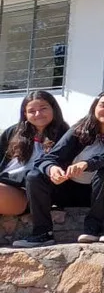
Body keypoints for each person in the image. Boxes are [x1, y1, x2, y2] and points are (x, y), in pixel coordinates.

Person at [13, 91, 104, 248]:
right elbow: (48, 158)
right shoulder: (79, 129)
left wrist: (88, 164)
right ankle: (42, 233)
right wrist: (52, 169)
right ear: (94, 107)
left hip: (101, 192)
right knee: (34, 176)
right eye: (103, 105)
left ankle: (93, 228)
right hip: (68, 189)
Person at [0, 91, 69, 219]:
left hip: (30, 193)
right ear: (25, 114)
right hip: (5, 185)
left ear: (53, 109)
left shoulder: (65, 135)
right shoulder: (13, 132)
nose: (38, 114)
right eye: (32, 111)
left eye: (43, 109)